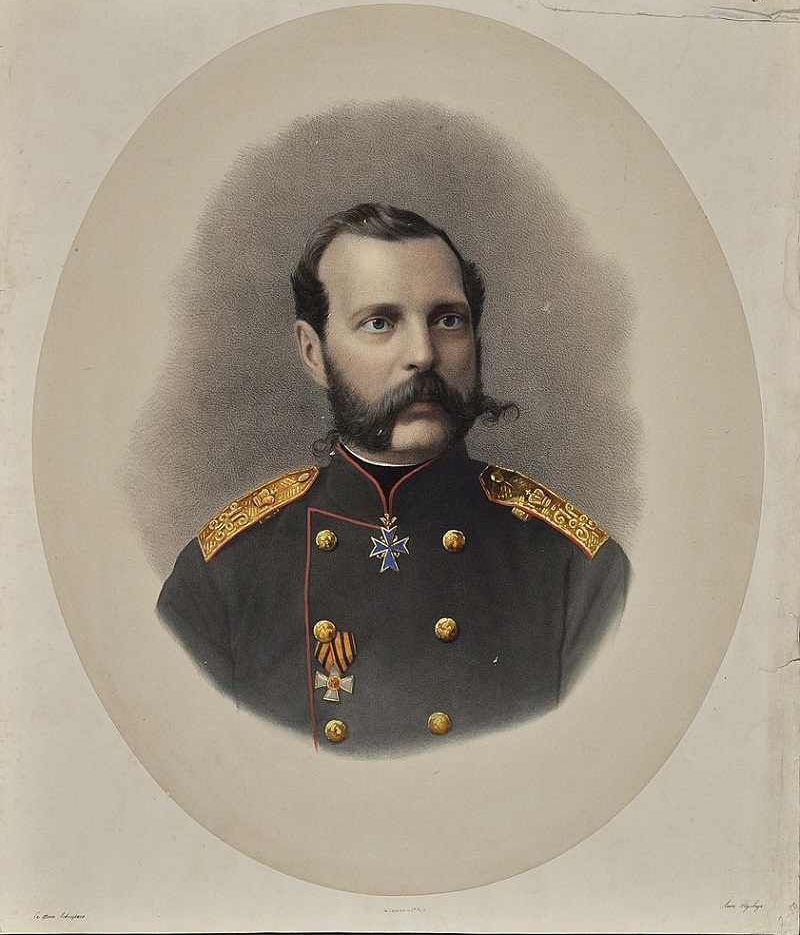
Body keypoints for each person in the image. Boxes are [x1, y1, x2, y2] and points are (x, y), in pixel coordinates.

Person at [157, 204, 629, 756]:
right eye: (380, 323)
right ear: (313, 353)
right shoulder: (223, 575)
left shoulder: (579, 571)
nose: (423, 355)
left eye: (448, 320)